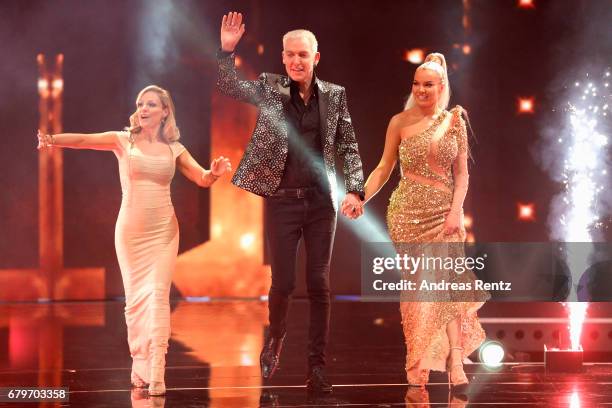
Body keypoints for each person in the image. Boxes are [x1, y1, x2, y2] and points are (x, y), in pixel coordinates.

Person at [37, 85, 232, 396]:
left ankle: (157, 372)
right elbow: (86, 140)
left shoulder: (174, 148)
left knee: (157, 296)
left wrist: (215, 172)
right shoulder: (123, 140)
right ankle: (141, 364)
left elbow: (201, 178)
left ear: (165, 111)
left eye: (151, 104)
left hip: (164, 232)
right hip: (130, 233)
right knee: (136, 303)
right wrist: (53, 140)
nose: (143, 108)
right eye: (140, 103)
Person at [216, 12, 365, 393]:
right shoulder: (270, 87)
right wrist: (226, 51)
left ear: (316, 58)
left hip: (319, 204)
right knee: (283, 283)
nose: (295, 61)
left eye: (302, 55)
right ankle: (276, 338)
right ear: (282, 58)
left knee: (319, 284)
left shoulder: (335, 95)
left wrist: (355, 189)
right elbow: (229, 86)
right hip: (282, 201)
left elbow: (348, 143)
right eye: (289, 55)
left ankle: (316, 368)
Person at [362, 53, 487, 387]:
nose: (421, 90)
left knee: (448, 286)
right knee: (418, 291)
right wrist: (360, 197)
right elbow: (383, 169)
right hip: (406, 214)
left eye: (428, 84)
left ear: (441, 86)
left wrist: (455, 212)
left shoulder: (454, 121)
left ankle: (455, 359)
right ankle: (417, 359)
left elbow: (462, 177)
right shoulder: (399, 122)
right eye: (416, 84)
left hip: (445, 216)